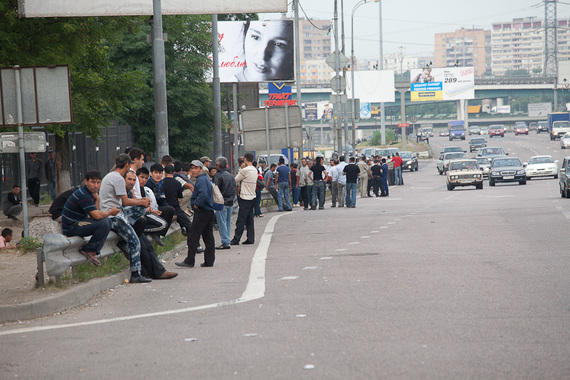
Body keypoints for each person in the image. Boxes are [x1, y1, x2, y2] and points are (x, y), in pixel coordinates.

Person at [100, 153, 152, 283]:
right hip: (113, 216)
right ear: (127, 165)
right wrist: (141, 202)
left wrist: (141, 203)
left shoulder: (110, 175)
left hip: (116, 212)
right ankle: (135, 273)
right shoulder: (118, 178)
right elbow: (125, 201)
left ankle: (127, 228)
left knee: (141, 208)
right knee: (134, 241)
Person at [62, 170, 120, 267]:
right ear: (86, 181)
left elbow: (94, 215)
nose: (96, 185)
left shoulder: (90, 193)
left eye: (98, 182)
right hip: (72, 226)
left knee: (106, 222)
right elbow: (97, 216)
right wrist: (110, 212)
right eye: (93, 182)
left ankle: (91, 249)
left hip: (79, 222)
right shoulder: (83, 194)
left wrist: (97, 199)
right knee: (105, 223)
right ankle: (89, 249)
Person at [176, 160, 216, 268]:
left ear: (201, 169)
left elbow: (203, 195)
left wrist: (196, 204)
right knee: (208, 237)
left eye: (196, 168)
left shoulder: (202, 180)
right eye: (192, 168)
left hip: (202, 211)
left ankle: (190, 260)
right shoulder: (204, 179)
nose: (193, 171)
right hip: (208, 212)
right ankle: (209, 261)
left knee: (193, 235)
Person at [231, 152, 257, 245]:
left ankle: (236, 239)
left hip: (245, 196)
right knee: (250, 219)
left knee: (241, 219)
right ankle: (250, 238)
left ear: (245, 160)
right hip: (252, 196)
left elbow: (235, 180)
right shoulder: (255, 169)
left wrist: (241, 169)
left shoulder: (244, 170)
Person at [214, 156, 236, 250]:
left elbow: (215, 189)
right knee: (227, 223)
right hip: (230, 201)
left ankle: (225, 242)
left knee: (222, 223)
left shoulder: (218, 176)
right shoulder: (230, 175)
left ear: (218, 165)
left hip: (221, 202)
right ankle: (227, 240)